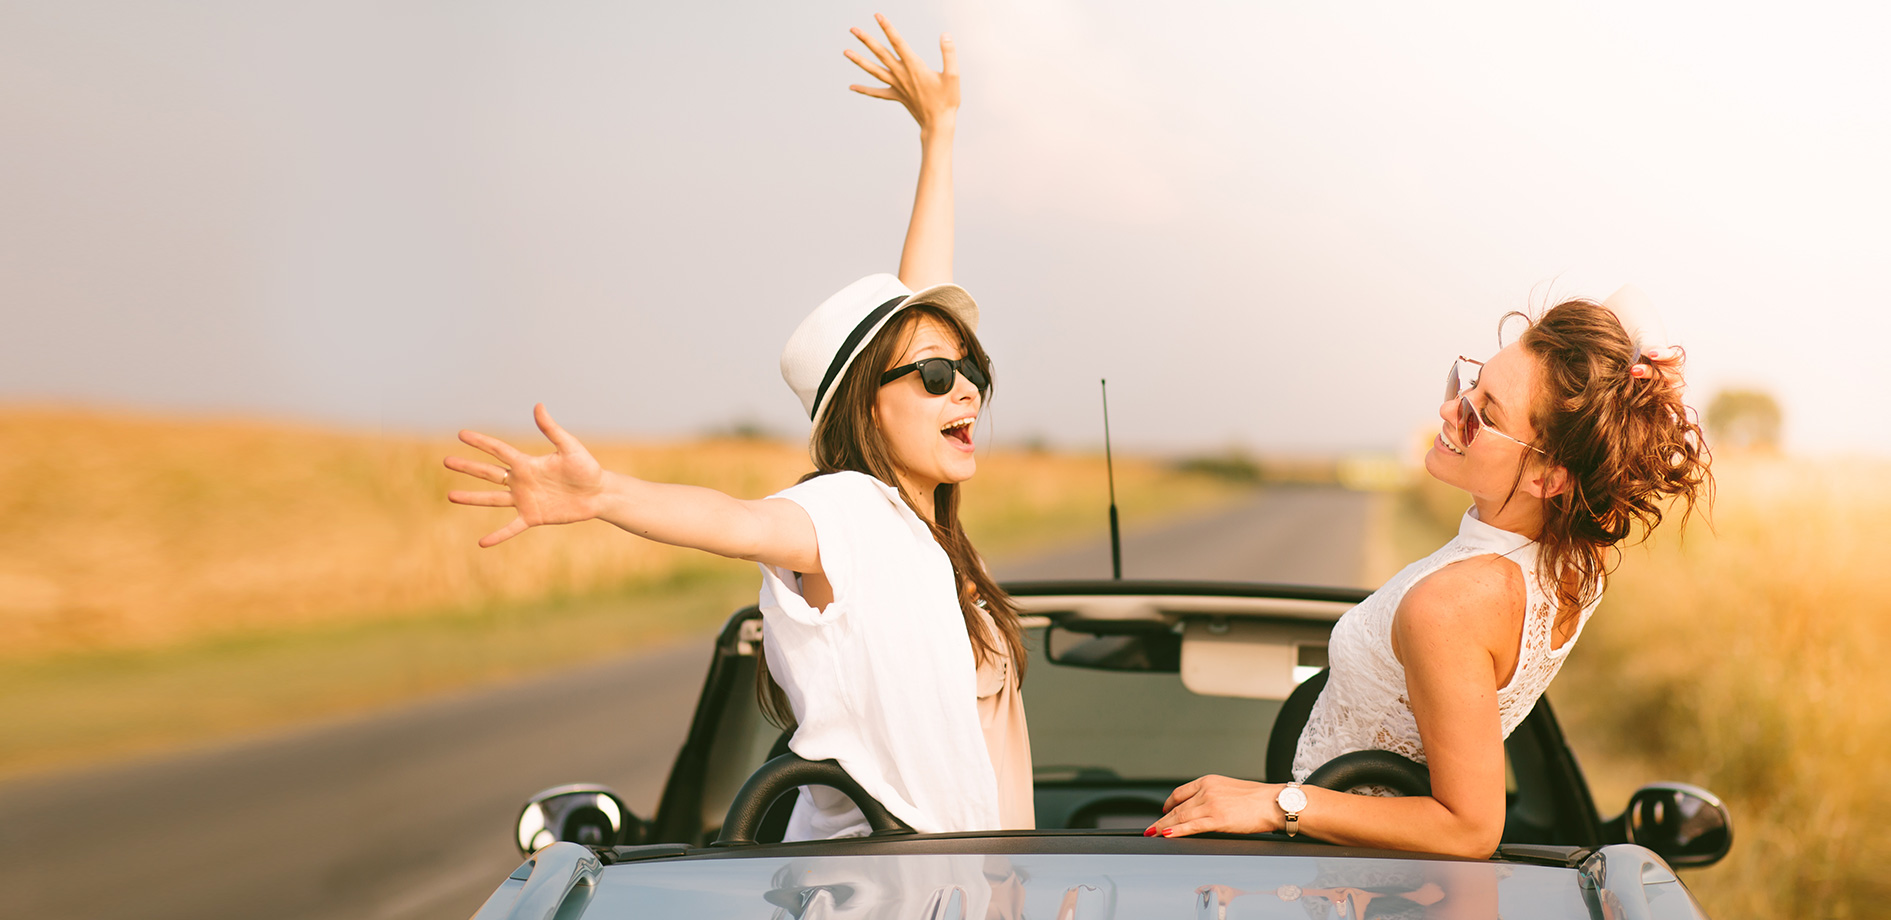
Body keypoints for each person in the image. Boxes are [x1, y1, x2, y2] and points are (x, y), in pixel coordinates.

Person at [444, 16, 1032, 840]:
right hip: (879, 890)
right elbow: (740, 522)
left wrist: (939, 136)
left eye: (972, 370)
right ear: (869, 408)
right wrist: (606, 492)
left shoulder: (924, 537)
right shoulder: (847, 513)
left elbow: (916, 315)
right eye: (938, 378)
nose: (964, 388)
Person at [1145, 294, 1711, 857]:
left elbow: (1469, 827)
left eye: (1484, 415)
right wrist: (1651, 377)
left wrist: (1276, 805)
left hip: (1351, 877)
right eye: (1469, 385)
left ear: (1548, 476)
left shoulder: (1452, 605)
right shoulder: (1569, 560)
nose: (1449, 411)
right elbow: (1629, 319)